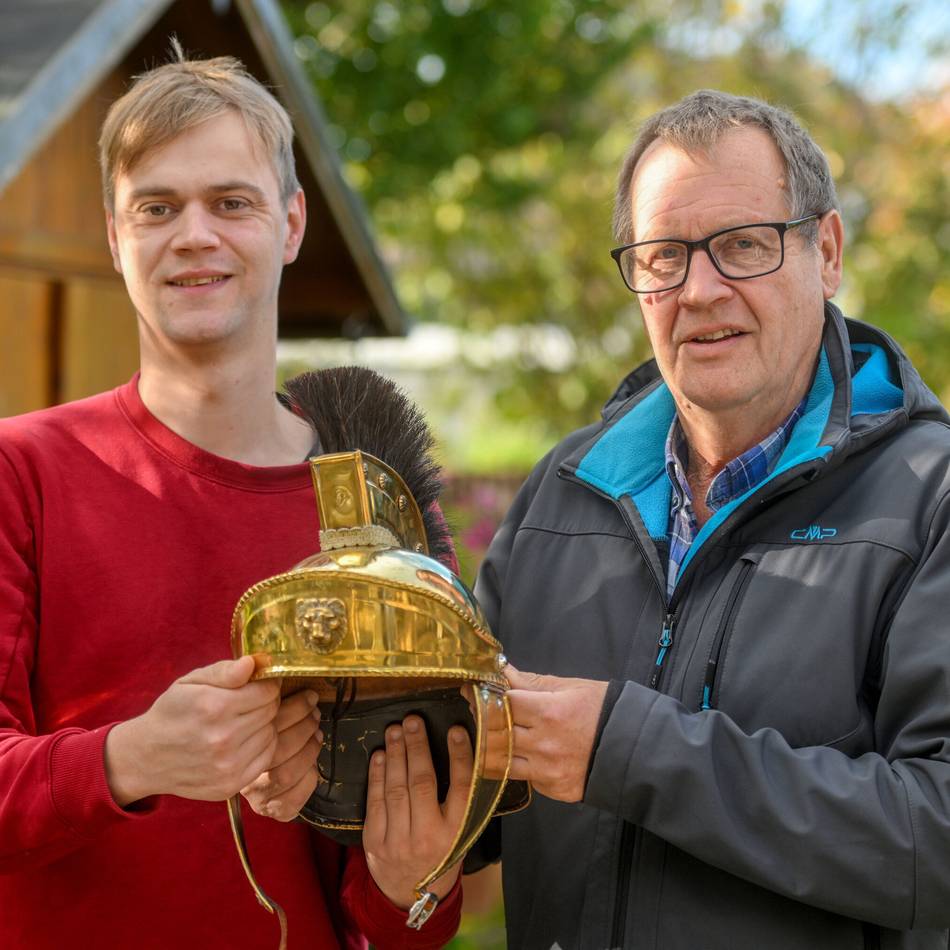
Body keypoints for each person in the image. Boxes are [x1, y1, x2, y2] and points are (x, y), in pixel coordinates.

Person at [0, 48, 466, 949]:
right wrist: (128, 760)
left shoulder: (380, 505)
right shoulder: (21, 471)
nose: (195, 235)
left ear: (291, 223)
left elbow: (406, 917)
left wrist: (415, 877)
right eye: (158, 208)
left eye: (232, 202)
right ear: (115, 236)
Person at [475, 89, 950, 948]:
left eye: (741, 246)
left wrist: (632, 751)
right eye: (664, 256)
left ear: (827, 251)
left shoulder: (932, 499)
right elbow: (477, 799)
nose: (699, 289)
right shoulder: (563, 491)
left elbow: (938, 839)